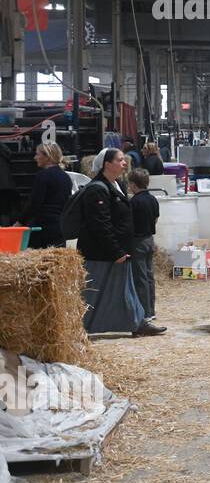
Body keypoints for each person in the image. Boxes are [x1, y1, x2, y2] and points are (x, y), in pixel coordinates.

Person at [78, 148, 165, 337]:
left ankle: (138, 323)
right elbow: (100, 224)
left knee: (127, 289)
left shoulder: (117, 185)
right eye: (120, 160)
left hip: (118, 250)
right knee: (93, 292)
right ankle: (79, 327)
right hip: (102, 253)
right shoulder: (97, 189)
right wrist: (115, 251)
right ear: (107, 164)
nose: (125, 162)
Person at [23, 142, 73, 248]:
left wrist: (20, 222)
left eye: (37, 154)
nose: (35, 157)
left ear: (47, 156)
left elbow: (34, 204)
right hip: (60, 228)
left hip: (43, 228)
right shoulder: (66, 177)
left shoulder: (43, 176)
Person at [127, 168, 160, 323]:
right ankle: (151, 310)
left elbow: (129, 225)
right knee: (149, 276)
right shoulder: (153, 199)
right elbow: (155, 219)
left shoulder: (133, 202)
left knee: (139, 278)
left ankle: (144, 313)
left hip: (138, 241)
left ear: (133, 185)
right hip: (149, 239)